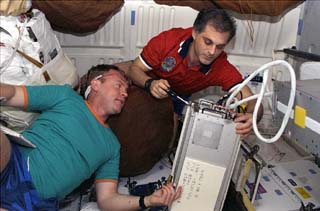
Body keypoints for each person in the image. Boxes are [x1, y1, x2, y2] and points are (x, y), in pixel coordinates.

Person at [0, 64, 182, 211]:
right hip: (12, 164)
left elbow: (107, 199)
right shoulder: (65, 97)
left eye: (126, 90)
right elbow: (14, 93)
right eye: (119, 85)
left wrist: (147, 201)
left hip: (36, 203)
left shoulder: (111, 146)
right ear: (95, 84)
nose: (125, 93)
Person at [128, 8, 263, 138]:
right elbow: (134, 69)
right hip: (148, 79)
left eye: (220, 47)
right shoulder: (168, 41)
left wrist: (253, 116)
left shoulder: (221, 67)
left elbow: (252, 100)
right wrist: (150, 83)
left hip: (177, 95)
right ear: (195, 33)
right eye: (208, 42)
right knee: (115, 76)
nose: (212, 52)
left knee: (167, 135)